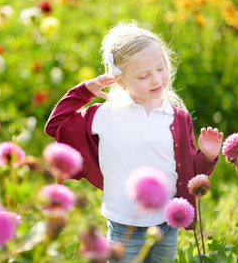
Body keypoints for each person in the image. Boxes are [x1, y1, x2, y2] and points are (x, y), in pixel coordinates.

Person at [45, 20, 223, 262]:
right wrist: (85, 90)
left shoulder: (177, 117)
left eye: (160, 68)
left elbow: (190, 173)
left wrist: (208, 156)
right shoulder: (108, 114)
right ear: (119, 80)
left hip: (167, 223)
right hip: (123, 224)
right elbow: (56, 124)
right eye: (144, 76)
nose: (156, 79)